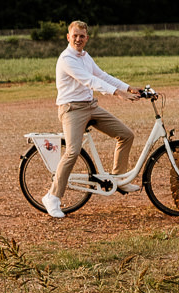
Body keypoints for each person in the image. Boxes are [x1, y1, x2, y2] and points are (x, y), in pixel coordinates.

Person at [43, 20, 143, 218]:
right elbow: (90, 80)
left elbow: (102, 75)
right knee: (73, 150)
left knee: (126, 135)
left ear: (87, 38)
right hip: (72, 109)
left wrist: (128, 87)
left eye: (82, 36)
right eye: (75, 35)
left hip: (91, 107)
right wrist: (117, 93)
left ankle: (119, 179)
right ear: (68, 37)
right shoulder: (66, 59)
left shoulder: (85, 57)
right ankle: (52, 197)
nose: (78, 39)